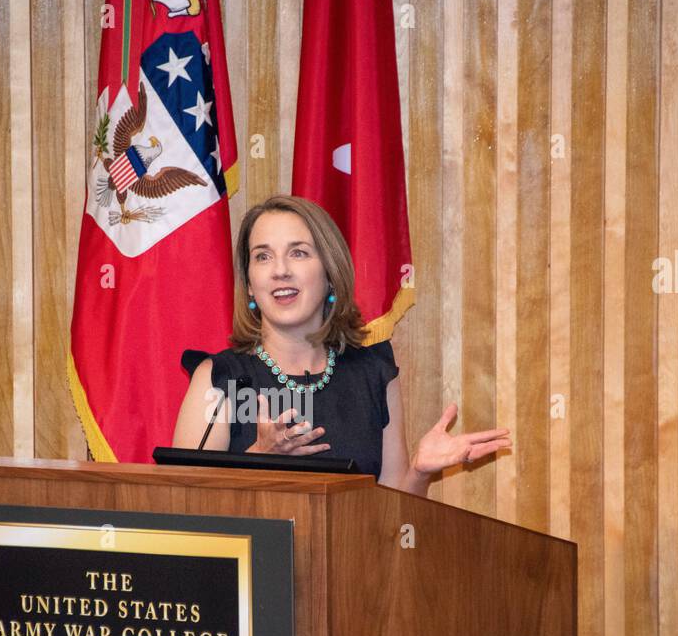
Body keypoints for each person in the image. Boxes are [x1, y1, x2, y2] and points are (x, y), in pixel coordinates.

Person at [171, 195, 510, 497]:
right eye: (263, 257)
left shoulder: (373, 374)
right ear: (249, 285)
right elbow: (183, 507)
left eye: (298, 253)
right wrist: (260, 457)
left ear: (330, 272)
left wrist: (420, 472)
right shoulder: (220, 378)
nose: (280, 271)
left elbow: (393, 524)